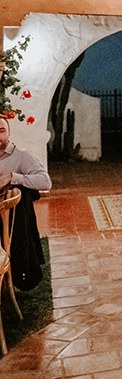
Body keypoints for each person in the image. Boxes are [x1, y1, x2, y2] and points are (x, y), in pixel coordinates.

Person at [0, 116, 51, 290]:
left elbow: (45, 182)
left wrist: (13, 177)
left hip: (4, 221)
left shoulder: (21, 156)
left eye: (1, 131)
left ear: (9, 132)